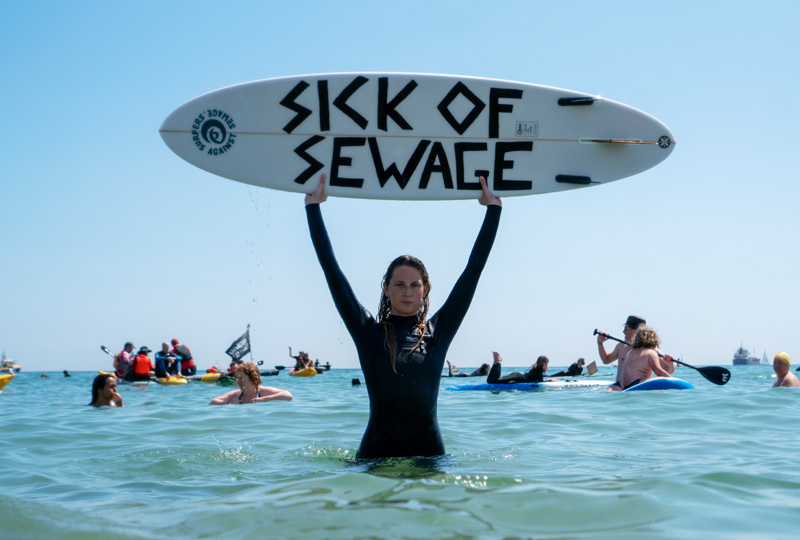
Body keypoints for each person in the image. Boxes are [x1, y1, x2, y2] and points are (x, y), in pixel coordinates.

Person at [305, 172, 501, 459]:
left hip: (429, 451)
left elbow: (474, 270)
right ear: (386, 288)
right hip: (376, 449)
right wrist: (314, 207)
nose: (406, 292)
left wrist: (493, 210)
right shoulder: (368, 331)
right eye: (399, 284)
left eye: (414, 285)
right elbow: (331, 270)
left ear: (424, 290)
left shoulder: (437, 333)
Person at [596, 315, 645, 392]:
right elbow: (606, 360)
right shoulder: (621, 346)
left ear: (635, 331)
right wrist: (600, 343)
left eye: (626, 329)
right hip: (620, 386)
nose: (623, 332)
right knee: (608, 392)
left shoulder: (648, 349)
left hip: (638, 386)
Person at [209, 362, 294, 405]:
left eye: (242, 378)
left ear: (253, 379)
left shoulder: (262, 392)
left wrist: (264, 399)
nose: (239, 381)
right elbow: (212, 402)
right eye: (237, 378)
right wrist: (228, 403)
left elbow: (288, 396)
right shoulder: (237, 394)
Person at [486, 352, 554, 383]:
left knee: (489, 381)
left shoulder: (535, 367)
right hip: (518, 377)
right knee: (495, 381)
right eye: (546, 362)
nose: (547, 364)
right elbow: (540, 381)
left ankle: (495, 364)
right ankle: (499, 362)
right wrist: (550, 380)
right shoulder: (539, 368)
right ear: (543, 362)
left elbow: (537, 378)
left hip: (518, 376)